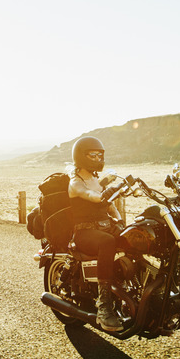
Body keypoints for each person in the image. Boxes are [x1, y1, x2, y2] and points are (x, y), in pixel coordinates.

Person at [68, 136, 124, 331]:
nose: (99, 158)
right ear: (82, 156)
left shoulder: (95, 179)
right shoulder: (76, 183)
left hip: (104, 227)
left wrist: (120, 222)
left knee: (135, 237)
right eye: (94, 154)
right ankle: (104, 306)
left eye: (101, 154)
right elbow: (92, 196)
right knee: (108, 242)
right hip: (85, 232)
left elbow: (109, 207)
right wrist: (104, 194)